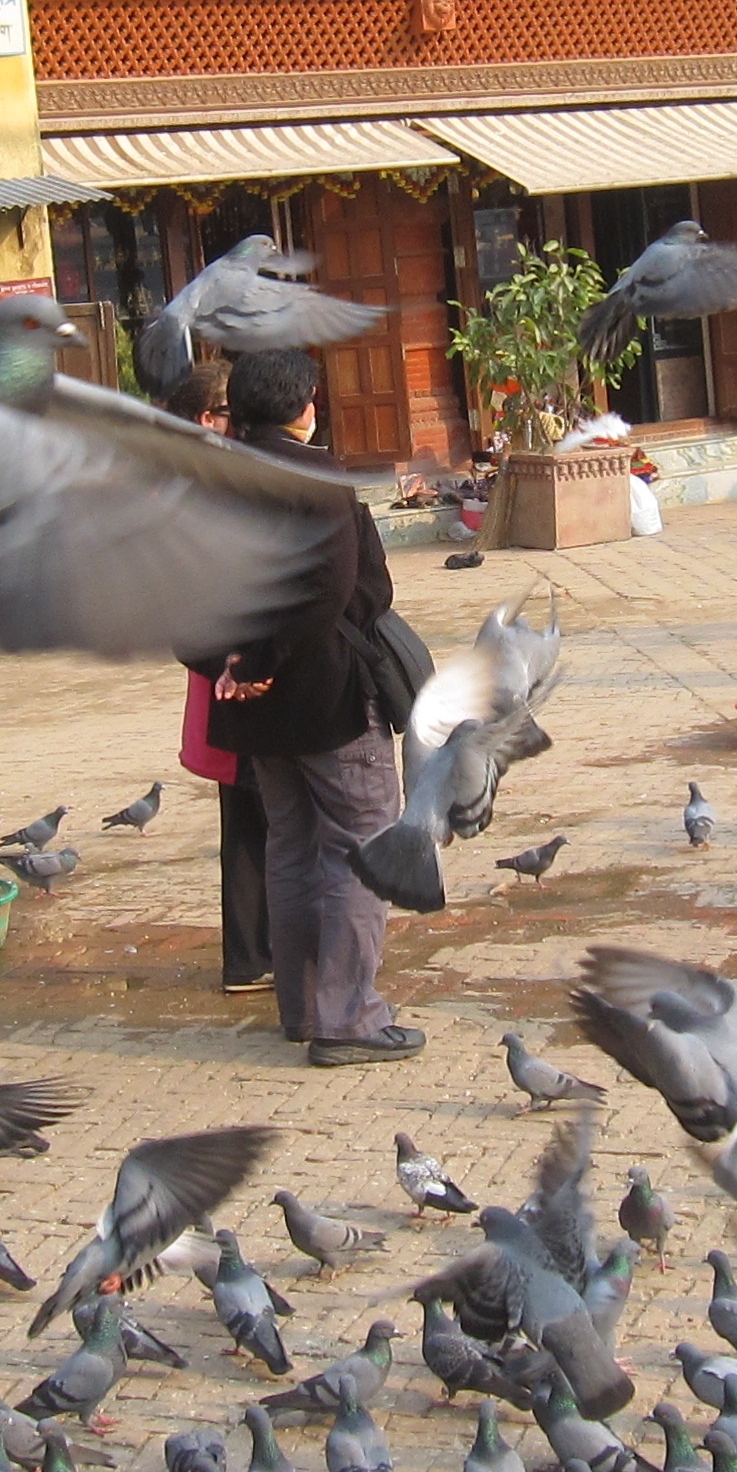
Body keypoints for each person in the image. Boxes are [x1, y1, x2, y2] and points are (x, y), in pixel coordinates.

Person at [204, 348, 415, 1067]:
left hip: (255, 710)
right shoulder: (318, 478)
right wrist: (260, 663)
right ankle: (348, 1020)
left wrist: (229, 666)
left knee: (290, 850)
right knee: (360, 848)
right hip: (326, 697)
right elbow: (333, 591)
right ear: (305, 405)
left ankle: (302, 1009)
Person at [163, 362, 267, 1000]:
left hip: (236, 672)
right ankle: (255, 957)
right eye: (236, 412)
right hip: (235, 676)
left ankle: (252, 958)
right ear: (209, 420)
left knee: (252, 818)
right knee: (259, 818)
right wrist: (237, 669)